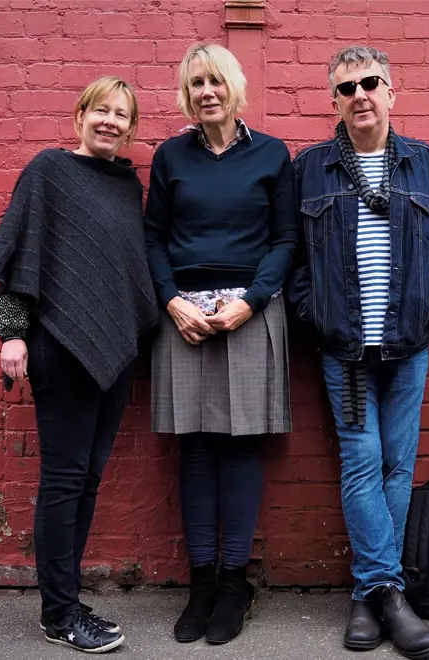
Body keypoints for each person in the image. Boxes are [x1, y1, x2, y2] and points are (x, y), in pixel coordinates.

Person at [287, 45, 429, 659]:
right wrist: (314, 314)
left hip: (407, 346)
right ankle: (388, 594)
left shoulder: (425, 165)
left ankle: (371, 596)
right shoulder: (309, 168)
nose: (359, 95)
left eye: (370, 84)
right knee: (363, 462)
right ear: (333, 100)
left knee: (398, 464)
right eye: (346, 88)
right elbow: (289, 255)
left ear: (392, 91)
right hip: (346, 354)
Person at [0, 76, 159, 654]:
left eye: (121, 115)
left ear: (130, 128)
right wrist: (12, 334)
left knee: (87, 480)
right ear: (80, 114)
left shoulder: (126, 186)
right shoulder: (48, 171)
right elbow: (19, 252)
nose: (110, 122)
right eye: (100, 111)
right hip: (58, 346)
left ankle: (66, 596)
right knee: (63, 481)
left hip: (112, 354)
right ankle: (58, 614)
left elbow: (125, 270)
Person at [144, 42, 297, 645]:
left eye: (215, 81)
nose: (206, 91)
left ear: (235, 87)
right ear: (187, 93)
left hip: (249, 312)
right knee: (197, 448)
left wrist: (250, 302)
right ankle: (201, 581)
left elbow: (286, 240)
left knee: (240, 449)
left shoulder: (272, 155)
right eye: (195, 83)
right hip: (182, 314)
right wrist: (172, 300)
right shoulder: (170, 156)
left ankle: (235, 582)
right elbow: (153, 238)